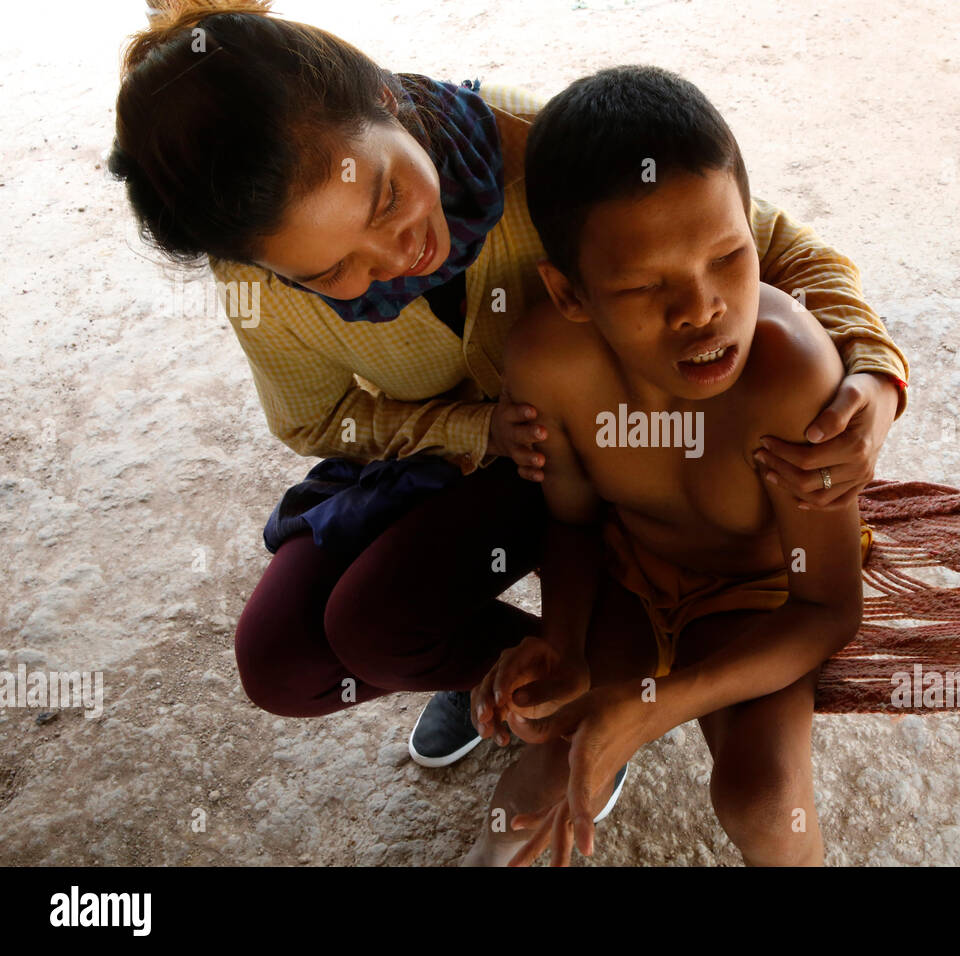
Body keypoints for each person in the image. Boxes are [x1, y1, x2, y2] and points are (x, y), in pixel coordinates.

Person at [109, 1, 910, 791]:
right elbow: (313, 417)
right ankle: (549, 682)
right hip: (467, 454)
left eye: (386, 197)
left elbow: (768, 245)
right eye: (329, 272)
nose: (397, 254)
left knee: (374, 623)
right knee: (281, 662)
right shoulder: (260, 278)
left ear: (390, 100)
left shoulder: (540, 146)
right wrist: (474, 430)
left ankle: (598, 691)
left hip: (596, 448)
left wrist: (873, 369)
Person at [464, 64, 883, 867]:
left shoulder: (792, 376)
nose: (700, 308)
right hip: (630, 575)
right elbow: (573, 522)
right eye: (645, 284)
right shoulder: (548, 363)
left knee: (762, 800)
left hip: (762, 598)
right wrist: (564, 645)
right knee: (534, 789)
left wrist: (658, 703)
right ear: (571, 293)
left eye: (728, 257)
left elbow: (829, 606)